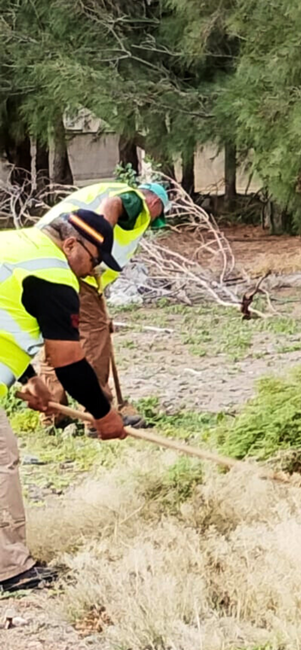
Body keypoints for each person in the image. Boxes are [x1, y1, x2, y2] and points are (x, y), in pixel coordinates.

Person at [1, 210, 129, 593]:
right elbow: (70, 364)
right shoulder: (54, 273)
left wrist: (29, 378)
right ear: (71, 244)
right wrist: (105, 416)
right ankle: (10, 568)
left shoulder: (16, 245)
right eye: (92, 261)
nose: (91, 273)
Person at [33, 181, 170, 430]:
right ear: (155, 203)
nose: (152, 222)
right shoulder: (134, 200)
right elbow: (112, 206)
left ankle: (54, 413)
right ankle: (97, 416)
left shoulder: (104, 192)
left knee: (58, 333)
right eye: (157, 216)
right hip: (75, 259)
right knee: (95, 332)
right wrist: (95, 247)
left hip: (50, 252)